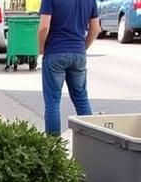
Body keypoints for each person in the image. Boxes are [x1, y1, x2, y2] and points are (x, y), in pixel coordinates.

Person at [38, 0, 99, 135]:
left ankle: (53, 146)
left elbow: (44, 27)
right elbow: (95, 28)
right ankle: (91, 141)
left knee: (53, 101)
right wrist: (84, 47)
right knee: (81, 99)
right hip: (78, 52)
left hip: (55, 52)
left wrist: (41, 48)